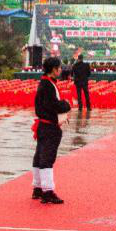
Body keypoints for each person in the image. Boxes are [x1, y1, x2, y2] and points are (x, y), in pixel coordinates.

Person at [32, 57, 72, 204]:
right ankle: (47, 191)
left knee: (39, 156)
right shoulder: (48, 85)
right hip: (49, 127)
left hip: (43, 126)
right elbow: (53, 105)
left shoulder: (45, 83)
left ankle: (37, 187)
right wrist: (66, 104)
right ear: (54, 69)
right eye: (59, 67)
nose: (61, 70)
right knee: (47, 158)